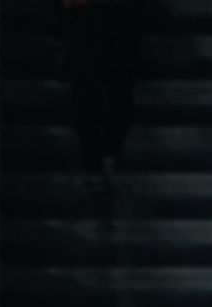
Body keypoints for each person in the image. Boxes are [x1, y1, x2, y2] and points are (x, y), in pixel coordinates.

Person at [56, 0, 145, 193]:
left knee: (91, 92)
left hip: (88, 12)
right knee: (112, 88)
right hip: (105, 13)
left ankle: (98, 159)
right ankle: (106, 154)